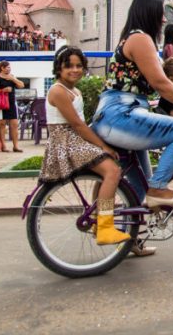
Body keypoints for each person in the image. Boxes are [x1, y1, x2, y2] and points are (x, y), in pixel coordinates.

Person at [91, 0, 173, 208]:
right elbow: (160, 83)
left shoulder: (134, 38)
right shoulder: (140, 39)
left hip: (120, 114)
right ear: (149, 13)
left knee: (139, 188)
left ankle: (118, 228)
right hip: (120, 114)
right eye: (161, 14)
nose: (164, 20)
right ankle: (158, 189)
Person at [39, 46, 132, 247]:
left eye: (79, 66)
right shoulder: (58, 91)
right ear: (59, 68)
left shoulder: (74, 90)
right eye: (69, 66)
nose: (75, 70)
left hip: (75, 138)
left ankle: (99, 218)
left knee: (107, 172)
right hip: (66, 140)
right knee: (112, 171)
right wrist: (103, 146)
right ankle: (105, 228)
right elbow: (77, 125)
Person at [0, 61, 24, 152]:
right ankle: (3, 146)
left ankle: (16, 146)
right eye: (7, 67)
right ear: (2, 68)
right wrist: (3, 90)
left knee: (14, 124)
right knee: (2, 124)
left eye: (9, 67)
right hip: (1, 103)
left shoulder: (11, 77)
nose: (9, 69)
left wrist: (13, 79)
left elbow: (21, 85)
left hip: (12, 103)